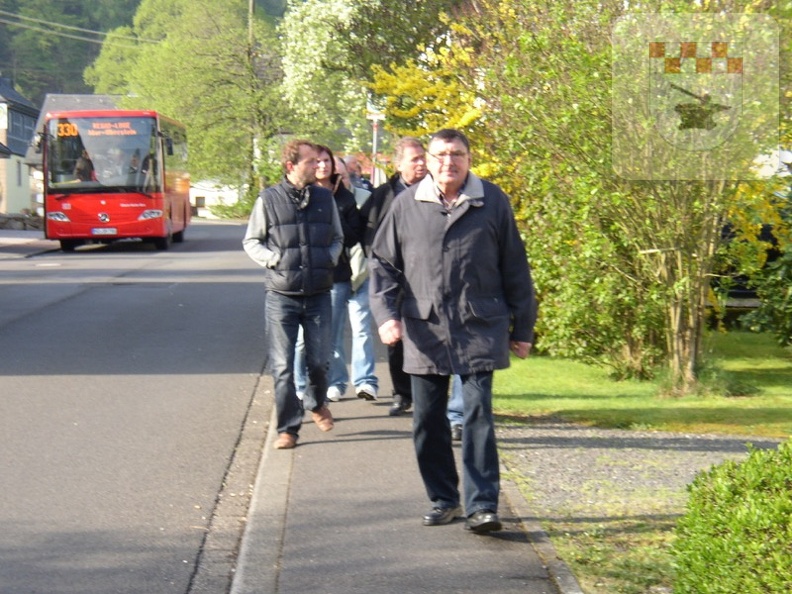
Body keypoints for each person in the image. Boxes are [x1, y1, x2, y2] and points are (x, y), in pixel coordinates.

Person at [369, 128, 537, 534]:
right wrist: (387, 316)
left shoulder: (492, 200)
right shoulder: (407, 205)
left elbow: (514, 266)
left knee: (478, 415)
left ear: (469, 158)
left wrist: (524, 326)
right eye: (442, 154)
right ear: (428, 159)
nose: (450, 162)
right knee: (428, 420)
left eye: (458, 154)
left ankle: (482, 506)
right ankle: (443, 498)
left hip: (479, 324)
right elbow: (383, 265)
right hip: (424, 327)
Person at [243, 139, 343, 450]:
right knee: (283, 367)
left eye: (318, 161)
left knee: (319, 361)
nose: (318, 166)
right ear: (291, 166)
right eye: (311, 161)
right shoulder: (268, 199)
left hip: (318, 293)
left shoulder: (326, 199)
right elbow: (252, 241)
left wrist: (329, 257)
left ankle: (316, 402)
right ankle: (288, 429)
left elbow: (338, 237)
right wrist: (274, 259)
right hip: (281, 296)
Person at [360, 137, 427, 416]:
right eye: (415, 159)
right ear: (399, 164)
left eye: (424, 158)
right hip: (394, 276)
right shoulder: (384, 195)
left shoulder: (437, 192)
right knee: (395, 336)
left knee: (426, 336)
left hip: (426, 276)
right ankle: (402, 393)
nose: (422, 163)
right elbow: (364, 229)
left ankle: (428, 395)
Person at [293, 146, 362, 402]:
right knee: (302, 338)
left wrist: (332, 211)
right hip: (303, 276)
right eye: (317, 161)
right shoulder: (301, 193)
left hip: (336, 276)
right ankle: (299, 384)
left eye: (326, 161)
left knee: (331, 336)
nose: (322, 166)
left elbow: (354, 236)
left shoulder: (344, 198)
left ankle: (336, 382)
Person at [335, 156, 379, 401]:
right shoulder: (323, 201)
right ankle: (336, 382)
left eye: (343, 174)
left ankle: (365, 381)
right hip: (335, 277)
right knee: (335, 330)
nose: (340, 179)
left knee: (362, 329)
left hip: (362, 274)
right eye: (336, 175)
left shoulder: (364, 199)